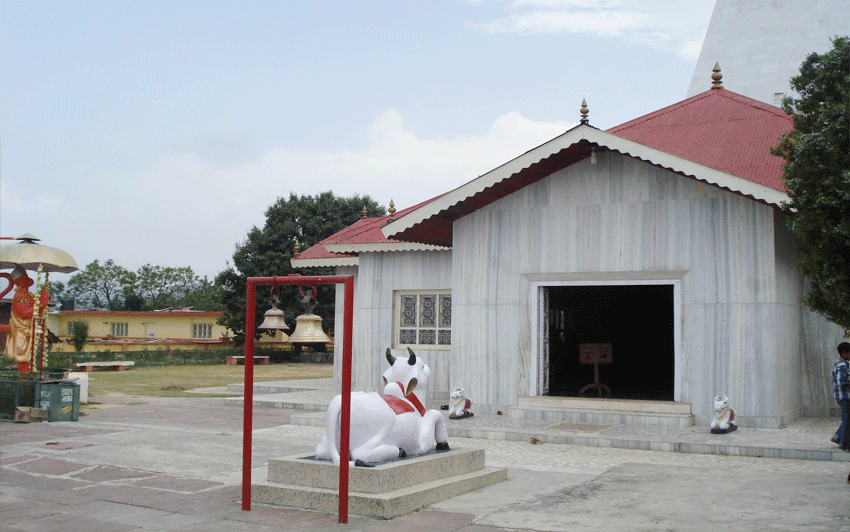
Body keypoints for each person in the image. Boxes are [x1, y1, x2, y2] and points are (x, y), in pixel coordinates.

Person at [830, 342, 850, 451]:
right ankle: (843, 443)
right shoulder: (841, 365)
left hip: (843, 396)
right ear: (844, 353)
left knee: (846, 419)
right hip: (843, 396)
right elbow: (841, 381)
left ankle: (837, 437)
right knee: (847, 419)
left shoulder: (842, 363)